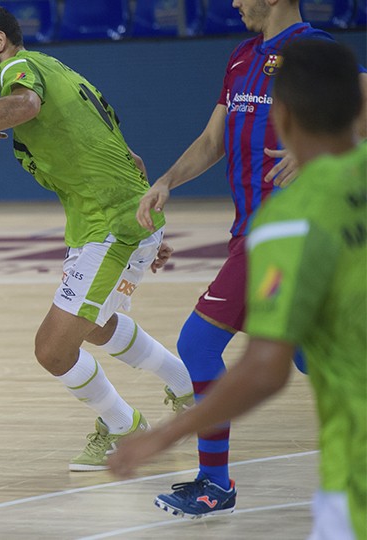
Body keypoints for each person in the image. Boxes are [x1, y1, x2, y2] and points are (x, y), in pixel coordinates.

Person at [0, 5, 195, 472]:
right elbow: (129, 156)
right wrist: (149, 224)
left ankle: (124, 428)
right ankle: (186, 387)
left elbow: (22, 106)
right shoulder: (56, 71)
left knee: (52, 349)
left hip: (111, 227)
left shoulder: (19, 71)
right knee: (95, 324)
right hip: (116, 222)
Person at [111, 39, 365, 540]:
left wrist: (164, 436)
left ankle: (214, 481)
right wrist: (168, 179)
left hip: (351, 487)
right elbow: (214, 139)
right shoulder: (242, 57)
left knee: (203, 343)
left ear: (286, 115)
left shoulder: (290, 220)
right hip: (252, 234)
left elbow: (262, 373)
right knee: (315, 350)